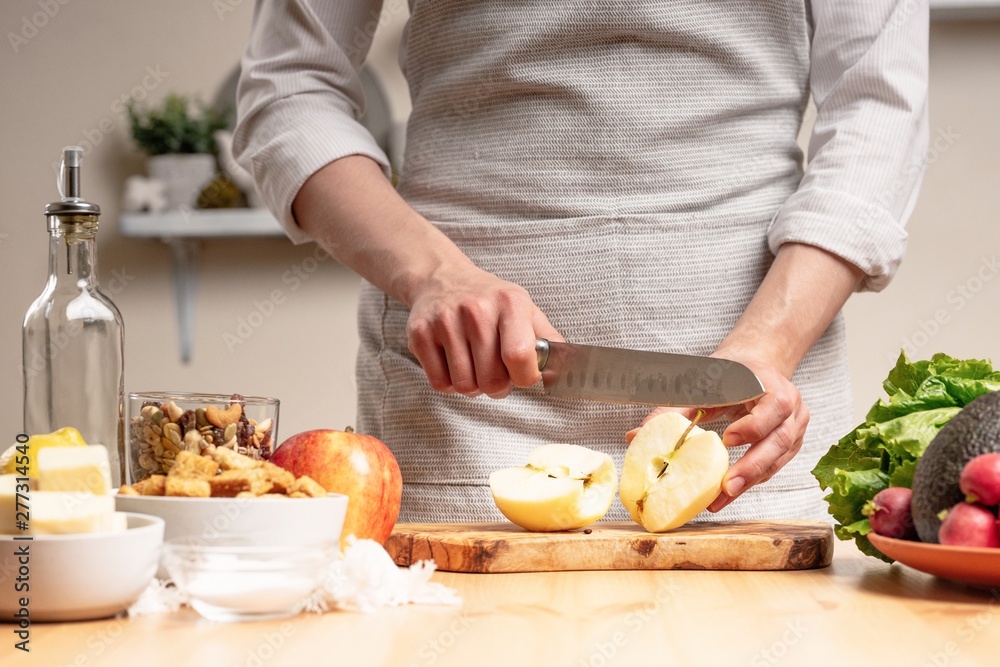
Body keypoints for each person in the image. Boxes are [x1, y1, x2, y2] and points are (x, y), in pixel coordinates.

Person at [234, 1, 929, 522]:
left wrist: (767, 346)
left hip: (749, 435)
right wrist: (433, 274)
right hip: (461, 419)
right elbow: (289, 89)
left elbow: (879, 104)